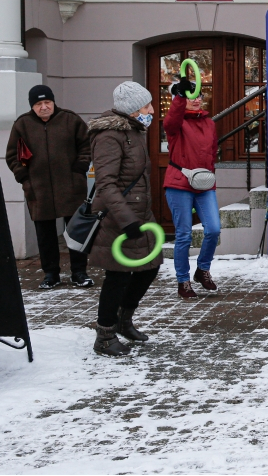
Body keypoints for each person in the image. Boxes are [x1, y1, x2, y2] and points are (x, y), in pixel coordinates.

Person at [88, 81, 163, 357]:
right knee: (117, 276)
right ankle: (105, 335)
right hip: (118, 218)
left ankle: (123, 319)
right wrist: (127, 219)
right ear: (132, 110)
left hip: (140, 215)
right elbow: (106, 184)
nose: (152, 110)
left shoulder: (135, 131)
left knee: (150, 266)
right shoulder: (109, 136)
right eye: (147, 106)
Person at [5, 85, 92, 289]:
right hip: (38, 188)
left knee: (76, 232)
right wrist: (24, 178)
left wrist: (79, 170)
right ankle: (51, 274)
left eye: (47, 102)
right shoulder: (22, 125)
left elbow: (86, 146)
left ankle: (79, 272)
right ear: (32, 106)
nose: (44, 107)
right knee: (45, 234)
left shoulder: (71, 120)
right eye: (38, 104)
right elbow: (12, 156)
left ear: (53, 102)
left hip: (71, 186)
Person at [164, 74, 220, 299]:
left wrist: (209, 176)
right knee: (184, 234)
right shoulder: (176, 124)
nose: (197, 99)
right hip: (179, 184)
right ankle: (183, 281)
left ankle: (202, 270)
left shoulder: (209, 123)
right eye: (191, 96)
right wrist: (178, 95)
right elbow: (171, 120)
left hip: (204, 184)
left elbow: (212, 151)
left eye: (199, 95)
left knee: (214, 229)